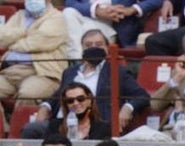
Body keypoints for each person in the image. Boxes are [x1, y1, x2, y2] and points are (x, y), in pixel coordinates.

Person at [22, 29, 150, 140]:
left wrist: (127, 108)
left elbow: (142, 95)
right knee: (31, 129)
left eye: (99, 44)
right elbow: (58, 94)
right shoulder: (70, 72)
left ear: (107, 47)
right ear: (82, 48)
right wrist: (45, 107)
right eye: (88, 45)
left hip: (96, 124)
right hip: (63, 123)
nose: (94, 48)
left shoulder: (117, 72)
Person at [0, 0, 69, 105]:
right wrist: (25, 31)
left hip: (42, 73)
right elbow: (2, 38)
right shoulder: (19, 15)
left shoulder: (57, 17)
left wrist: (13, 43)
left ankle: (21, 121)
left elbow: (39, 42)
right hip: (10, 71)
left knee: (29, 94)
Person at [62, 0, 161, 56]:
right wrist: (96, 10)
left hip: (115, 24)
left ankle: (78, 62)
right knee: (68, 12)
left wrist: (132, 9)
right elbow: (70, 2)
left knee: (88, 30)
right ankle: (78, 59)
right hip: (86, 17)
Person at [44, 83, 113, 142]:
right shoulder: (55, 126)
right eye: (70, 100)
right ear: (66, 105)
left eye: (80, 99)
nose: (76, 103)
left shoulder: (103, 128)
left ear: (89, 101)